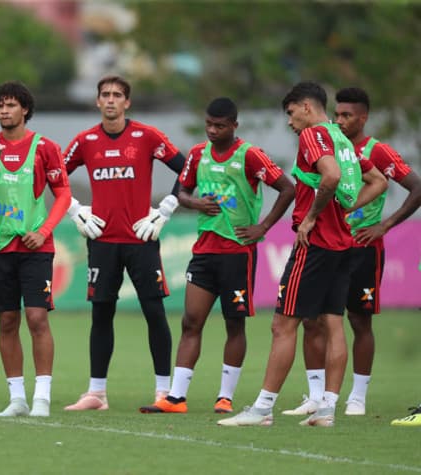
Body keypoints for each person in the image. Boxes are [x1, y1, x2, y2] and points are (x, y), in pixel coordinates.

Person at [217, 81, 387, 428]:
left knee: (283, 324)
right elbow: (378, 181)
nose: (290, 123)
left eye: (291, 114)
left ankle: (263, 409)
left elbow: (331, 177)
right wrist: (345, 209)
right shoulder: (343, 138)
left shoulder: (313, 136)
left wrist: (311, 217)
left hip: (316, 245)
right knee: (333, 323)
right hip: (343, 245)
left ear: (306, 108)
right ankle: (327, 409)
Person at [140, 98, 294, 415]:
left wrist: (262, 225)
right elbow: (182, 191)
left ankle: (225, 397)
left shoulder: (249, 155)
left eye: (219, 125)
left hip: (237, 252)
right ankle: (176, 398)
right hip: (205, 251)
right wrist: (195, 203)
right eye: (209, 124)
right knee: (190, 321)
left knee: (234, 324)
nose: (212, 130)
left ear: (234, 125)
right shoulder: (197, 154)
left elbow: (287, 188)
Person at [281, 87, 421, 418]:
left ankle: (356, 396)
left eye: (348, 115)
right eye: (338, 114)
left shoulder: (376, 151)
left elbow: (415, 187)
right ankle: (317, 395)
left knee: (358, 320)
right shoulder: (325, 144)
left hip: (362, 249)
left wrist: (384, 225)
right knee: (313, 320)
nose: (341, 120)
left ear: (363, 117)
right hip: (328, 243)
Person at [62, 75, 186, 412]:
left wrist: (165, 209)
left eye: (118, 95)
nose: (112, 100)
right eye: (106, 95)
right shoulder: (86, 140)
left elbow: (188, 167)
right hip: (102, 241)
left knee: (154, 311)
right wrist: (75, 211)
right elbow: (52, 173)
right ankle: (96, 394)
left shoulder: (147, 136)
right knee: (101, 313)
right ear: (97, 101)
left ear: (127, 102)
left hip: (140, 238)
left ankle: (164, 392)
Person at [0, 81, 71, 418]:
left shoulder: (45, 148)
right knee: (7, 321)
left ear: (25, 109)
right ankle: (17, 399)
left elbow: (63, 194)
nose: (4, 111)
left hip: (36, 248)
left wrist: (43, 231)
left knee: (37, 318)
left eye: (10, 105)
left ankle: (42, 397)